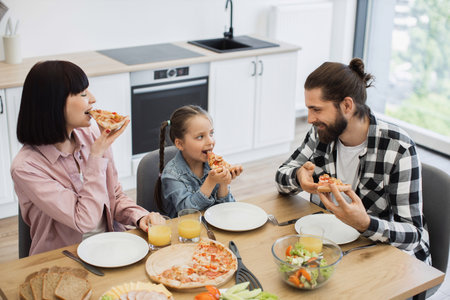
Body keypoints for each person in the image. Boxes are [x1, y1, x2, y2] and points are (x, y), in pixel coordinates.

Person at [275, 58, 431, 264]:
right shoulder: (320, 133)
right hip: (332, 248)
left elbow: (413, 235)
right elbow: (280, 176)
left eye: (317, 109)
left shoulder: (398, 148)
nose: (310, 119)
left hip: (385, 256)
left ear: (347, 105)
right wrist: (298, 177)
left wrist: (365, 223)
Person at [11, 60, 164, 255]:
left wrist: (140, 217)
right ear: (54, 104)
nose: (92, 99)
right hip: (64, 260)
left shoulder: (91, 135)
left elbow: (114, 196)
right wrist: (96, 156)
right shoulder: (26, 168)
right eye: (83, 94)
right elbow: (84, 221)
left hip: (111, 245)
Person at [154, 105, 243, 218]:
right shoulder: (172, 175)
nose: (210, 141)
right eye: (200, 137)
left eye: (211, 133)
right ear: (180, 144)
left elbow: (226, 209)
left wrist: (223, 182)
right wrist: (210, 182)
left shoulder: (213, 165)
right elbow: (187, 213)